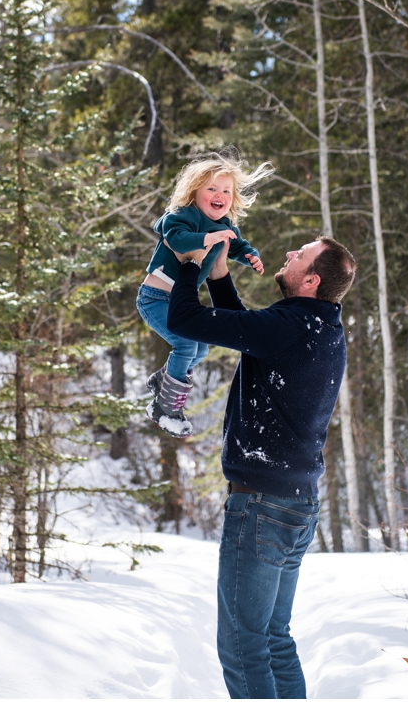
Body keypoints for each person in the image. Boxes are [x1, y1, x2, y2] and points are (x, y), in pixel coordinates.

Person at [165, 233, 357, 699]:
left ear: (310, 280)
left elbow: (183, 318)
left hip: (262, 508)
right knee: (272, 639)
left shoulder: (287, 326)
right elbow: (249, 331)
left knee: (241, 646)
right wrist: (220, 275)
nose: (289, 253)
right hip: (297, 504)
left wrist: (191, 265)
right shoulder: (322, 323)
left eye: (300, 255)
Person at [138, 155, 274, 437]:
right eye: (212, 189)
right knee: (186, 347)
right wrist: (206, 239)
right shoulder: (182, 216)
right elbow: (176, 238)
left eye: (226, 191)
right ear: (194, 192)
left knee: (200, 349)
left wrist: (251, 257)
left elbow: (240, 247)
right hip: (154, 297)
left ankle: (164, 380)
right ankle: (165, 409)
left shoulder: (226, 226)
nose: (220, 196)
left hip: (173, 301)